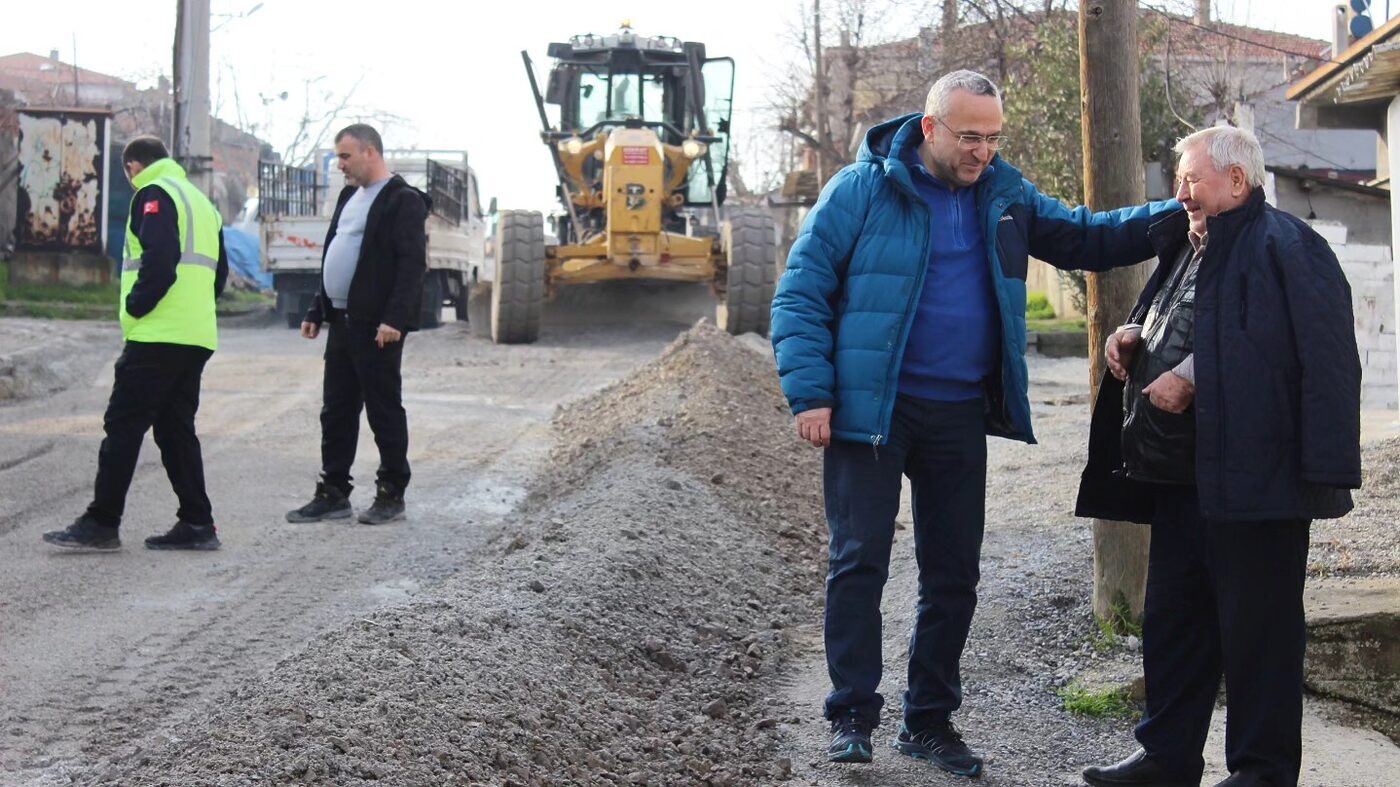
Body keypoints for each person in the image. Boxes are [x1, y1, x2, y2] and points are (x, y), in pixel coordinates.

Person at [770, 69, 1177, 775]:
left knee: (954, 572)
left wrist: (1176, 213)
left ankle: (928, 720)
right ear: (930, 129)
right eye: (969, 137)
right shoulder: (861, 190)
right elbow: (800, 293)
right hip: (873, 413)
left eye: (992, 137)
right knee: (859, 560)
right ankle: (851, 714)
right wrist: (810, 394)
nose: (982, 151)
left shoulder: (1004, 194)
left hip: (957, 410)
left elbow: (1084, 237)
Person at [1076, 127, 1360, 787]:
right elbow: (1183, 321)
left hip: (1259, 484)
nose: (1181, 193)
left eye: (1193, 179)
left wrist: (1198, 375)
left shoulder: (1288, 246)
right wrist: (1131, 339)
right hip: (1183, 482)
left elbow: (1301, 354)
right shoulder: (1188, 243)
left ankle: (1260, 772)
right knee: (1175, 625)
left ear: (1237, 180)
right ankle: (1166, 758)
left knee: (1260, 636)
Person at [42, 135, 228, 552]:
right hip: (194, 336)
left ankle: (101, 522)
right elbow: (220, 275)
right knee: (175, 430)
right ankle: (197, 523)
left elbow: (159, 262)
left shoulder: (154, 193)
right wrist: (192, 312)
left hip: (157, 334)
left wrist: (136, 306)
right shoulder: (201, 201)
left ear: (133, 166)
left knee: (123, 425)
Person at [286, 124, 428, 526]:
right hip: (343, 322)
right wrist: (318, 309)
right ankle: (333, 492)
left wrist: (395, 319)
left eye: (345, 156)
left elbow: (411, 265)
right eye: (338, 157)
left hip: (377, 326)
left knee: (383, 410)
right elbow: (336, 253)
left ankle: (391, 492)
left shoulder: (403, 201)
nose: (340, 165)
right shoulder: (350, 197)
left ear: (370, 152)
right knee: (336, 411)